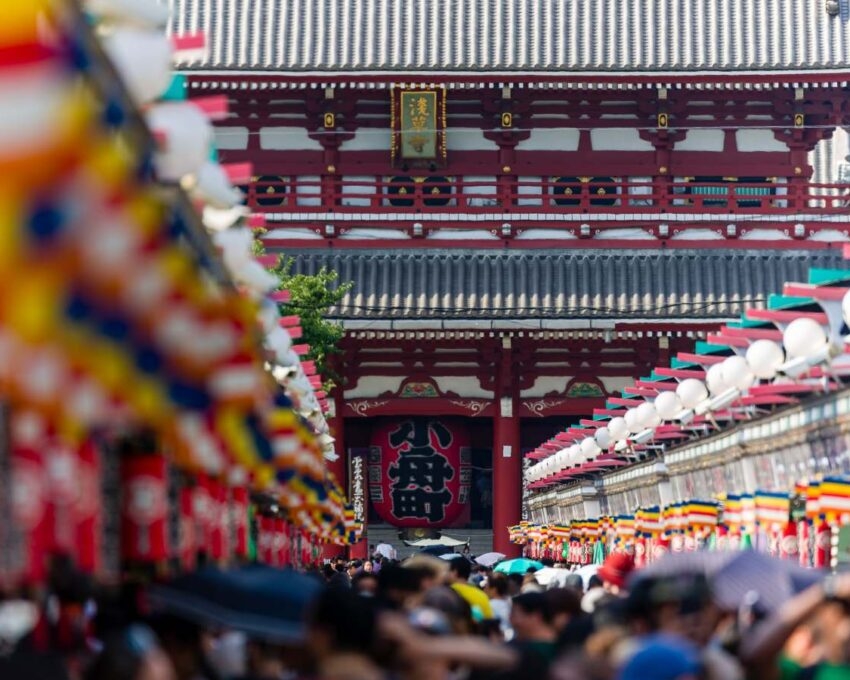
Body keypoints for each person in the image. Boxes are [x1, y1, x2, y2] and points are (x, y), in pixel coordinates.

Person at [484, 572, 513, 640]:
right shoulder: (512, 601)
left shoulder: (490, 605)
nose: (485, 589)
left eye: (487, 586)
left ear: (494, 589)